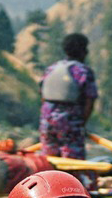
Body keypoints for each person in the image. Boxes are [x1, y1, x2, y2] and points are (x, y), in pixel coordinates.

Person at [38, 33, 98, 161]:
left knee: (49, 160)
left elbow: (43, 96)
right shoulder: (84, 71)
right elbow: (90, 100)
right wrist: (82, 124)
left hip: (46, 122)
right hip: (70, 123)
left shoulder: (51, 69)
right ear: (83, 51)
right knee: (72, 162)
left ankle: (47, 180)